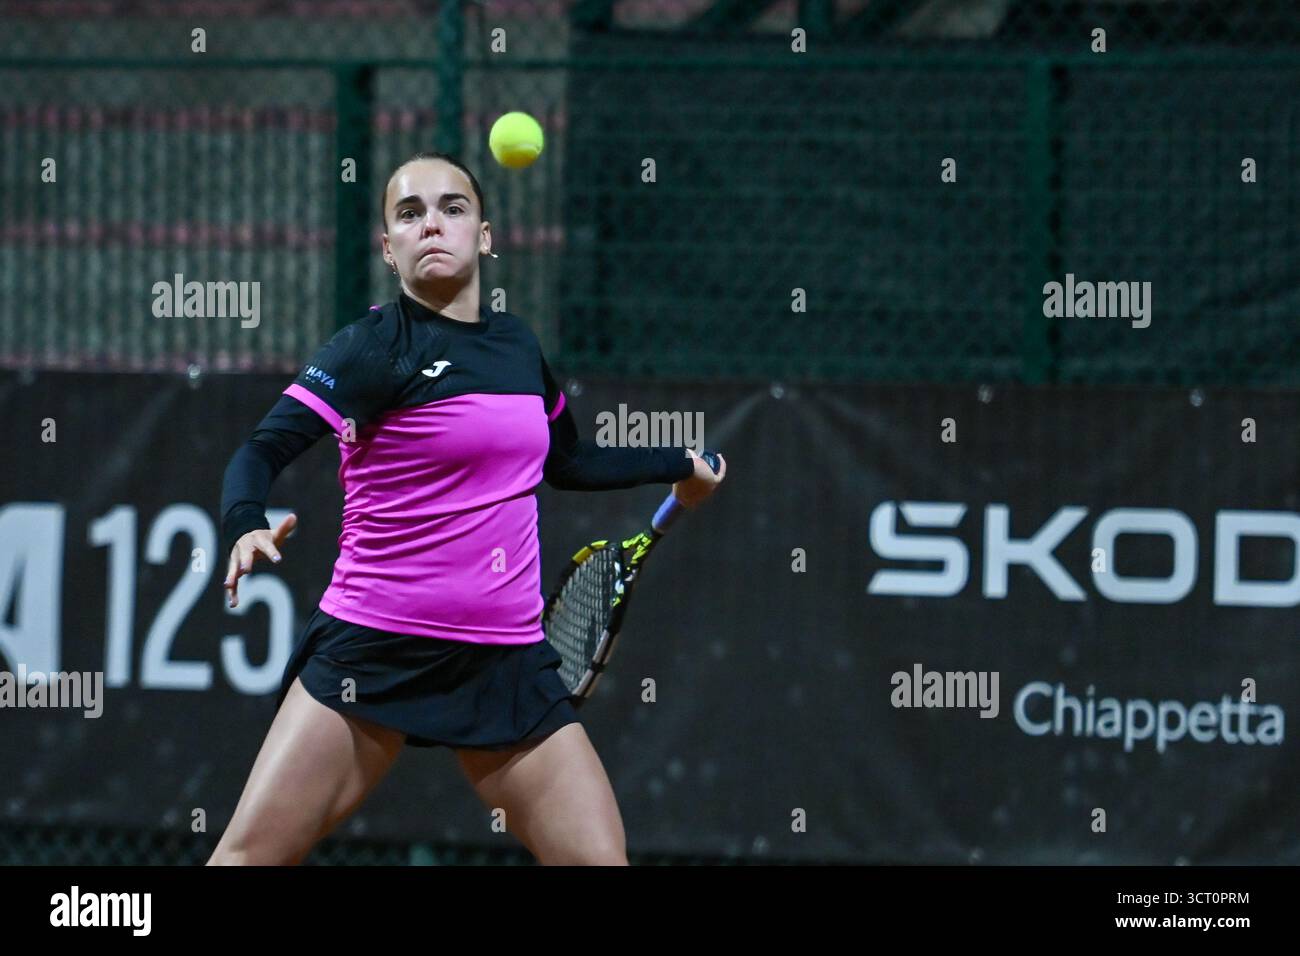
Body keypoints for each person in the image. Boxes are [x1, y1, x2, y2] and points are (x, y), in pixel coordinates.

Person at [207, 151, 726, 865]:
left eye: (453, 208)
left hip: (504, 663)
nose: (432, 225)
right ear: (389, 249)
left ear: (484, 234)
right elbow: (260, 451)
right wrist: (244, 523)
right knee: (248, 859)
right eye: (410, 213)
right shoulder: (371, 348)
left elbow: (566, 461)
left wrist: (679, 466)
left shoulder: (517, 346)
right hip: (375, 645)